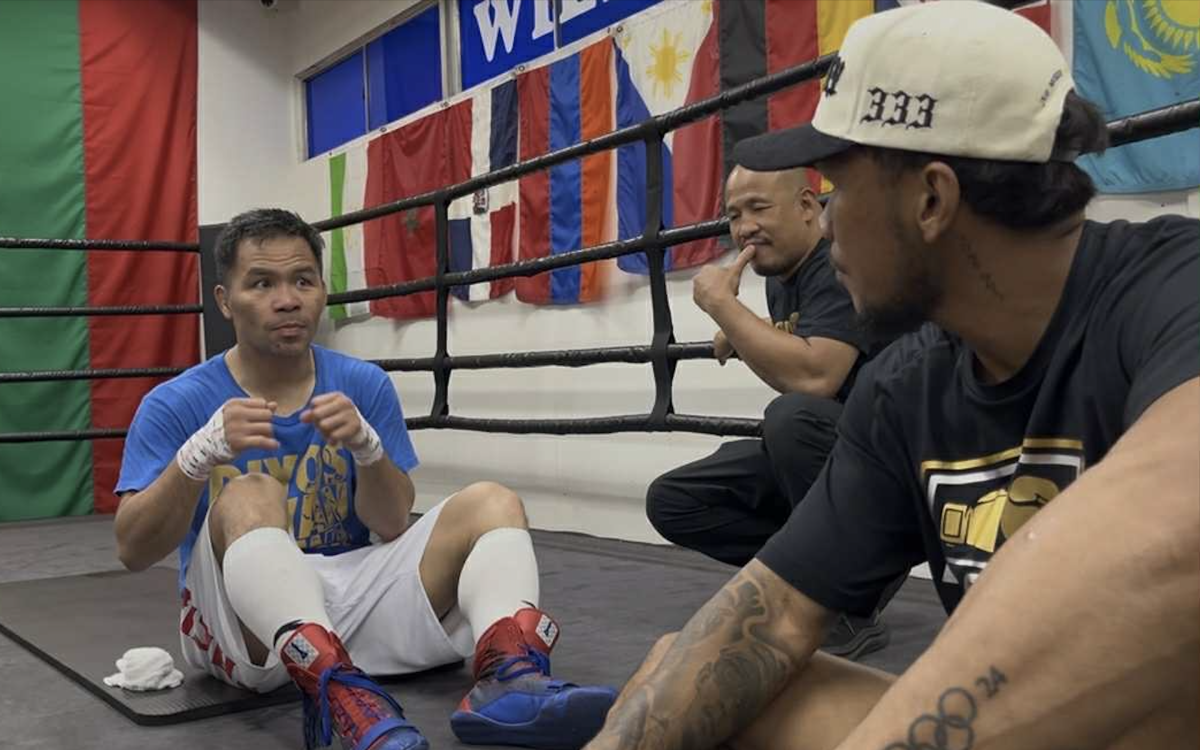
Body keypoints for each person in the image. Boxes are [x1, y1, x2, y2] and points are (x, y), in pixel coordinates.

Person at [585, 3, 1199, 749]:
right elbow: (773, 616)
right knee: (697, 684)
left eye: (839, 186)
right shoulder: (907, 384)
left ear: (931, 200)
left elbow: (1178, 530)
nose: (830, 220)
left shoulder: (1173, 287)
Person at [114, 209, 616, 750]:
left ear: (321, 291)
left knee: (491, 501)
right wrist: (197, 457)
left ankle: (512, 679)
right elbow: (133, 549)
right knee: (250, 491)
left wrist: (367, 449)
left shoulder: (360, 385)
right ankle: (342, 707)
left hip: (354, 602)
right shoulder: (177, 402)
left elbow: (392, 522)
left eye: (302, 280)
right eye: (262, 283)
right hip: (242, 628)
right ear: (224, 300)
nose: (287, 299)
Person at [646, 164, 894, 659]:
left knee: (790, 418)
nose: (745, 227)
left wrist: (727, 312)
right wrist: (753, 331)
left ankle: (851, 602)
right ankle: (804, 578)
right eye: (734, 215)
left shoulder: (837, 263)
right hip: (835, 456)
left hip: (887, 466)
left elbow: (817, 378)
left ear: (807, 207)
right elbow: (812, 347)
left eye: (759, 207)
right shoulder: (784, 273)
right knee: (673, 500)